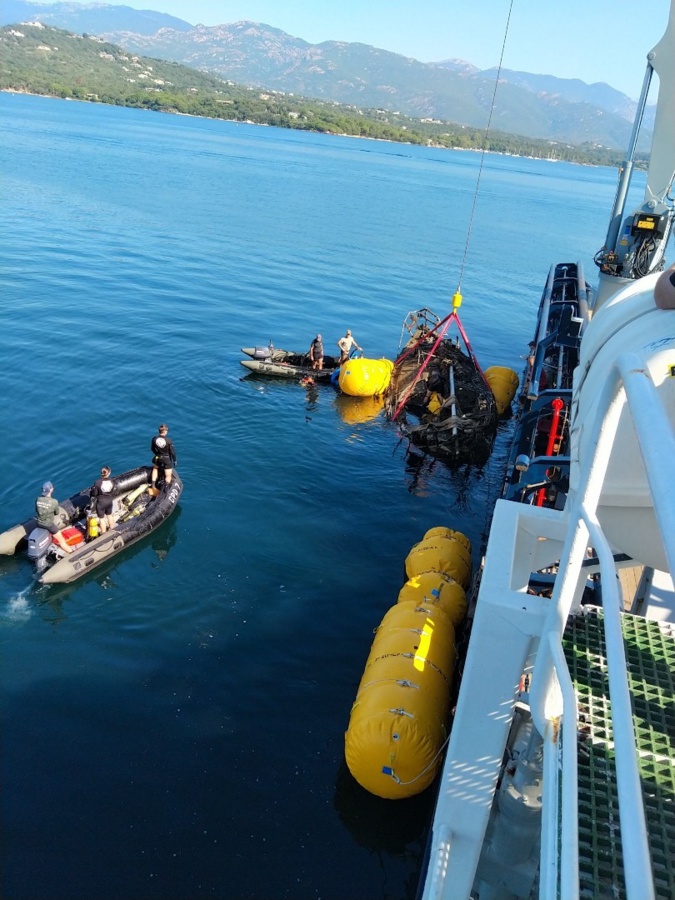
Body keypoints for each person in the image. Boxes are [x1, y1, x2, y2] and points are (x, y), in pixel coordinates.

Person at [35, 482, 74, 554]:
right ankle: (71, 552)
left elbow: (37, 510)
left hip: (39, 523)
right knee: (61, 540)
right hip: (49, 525)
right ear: (51, 489)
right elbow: (56, 513)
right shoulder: (54, 501)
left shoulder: (38, 499)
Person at [151, 423, 177, 488]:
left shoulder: (154, 439)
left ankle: (153, 484)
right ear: (165, 431)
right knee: (168, 475)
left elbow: (152, 449)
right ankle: (165, 488)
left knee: (155, 468)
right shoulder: (168, 441)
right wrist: (175, 460)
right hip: (166, 459)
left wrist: (157, 454)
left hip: (158, 457)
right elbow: (172, 452)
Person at [91, 466, 115, 533]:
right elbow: (113, 491)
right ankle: (112, 529)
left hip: (101, 503)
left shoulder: (97, 483)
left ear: (101, 473)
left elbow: (95, 494)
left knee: (101, 519)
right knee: (109, 515)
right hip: (109, 501)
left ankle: (104, 533)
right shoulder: (112, 481)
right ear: (109, 473)